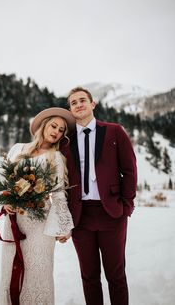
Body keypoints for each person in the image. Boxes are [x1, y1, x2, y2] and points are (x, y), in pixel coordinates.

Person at [60, 87, 137, 305]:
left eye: (82, 100)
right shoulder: (66, 141)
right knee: (89, 277)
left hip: (111, 213)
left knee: (116, 276)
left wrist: (126, 206)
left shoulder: (114, 131)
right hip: (80, 216)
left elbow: (130, 170)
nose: (78, 104)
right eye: (73, 103)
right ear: (71, 110)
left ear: (93, 104)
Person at [0, 107, 75, 305]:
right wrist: (6, 200)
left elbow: (58, 193)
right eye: (54, 126)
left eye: (61, 130)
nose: (56, 131)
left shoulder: (56, 157)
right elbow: (3, 181)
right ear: (43, 126)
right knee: (10, 267)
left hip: (40, 221)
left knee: (38, 269)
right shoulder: (18, 149)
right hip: (14, 219)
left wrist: (65, 225)